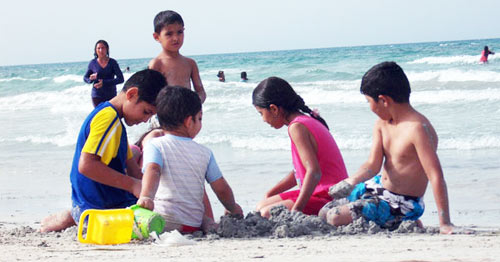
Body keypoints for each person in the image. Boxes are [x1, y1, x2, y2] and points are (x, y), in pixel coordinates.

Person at [319, 61, 454, 234]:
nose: (370, 107)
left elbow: (435, 175)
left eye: (369, 101)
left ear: (383, 100)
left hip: (401, 202)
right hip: (377, 188)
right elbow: (372, 165)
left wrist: (445, 222)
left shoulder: (418, 128)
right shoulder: (382, 124)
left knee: (335, 217)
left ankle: (403, 219)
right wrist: (350, 181)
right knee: (324, 212)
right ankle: (393, 221)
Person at [40, 69, 166, 233]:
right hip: (100, 205)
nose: (145, 120)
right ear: (131, 94)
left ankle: (74, 216)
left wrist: (149, 187)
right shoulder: (108, 118)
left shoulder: (116, 124)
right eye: (146, 112)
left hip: (95, 200)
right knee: (155, 223)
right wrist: (133, 185)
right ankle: (77, 217)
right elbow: (86, 165)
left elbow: (133, 170)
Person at [137, 86, 243, 234]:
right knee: (202, 216)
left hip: (163, 221)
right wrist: (233, 208)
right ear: (189, 121)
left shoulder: (155, 145)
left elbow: (152, 170)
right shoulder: (205, 153)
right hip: (192, 224)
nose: (200, 123)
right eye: (199, 118)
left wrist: (146, 197)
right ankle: (207, 223)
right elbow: (221, 188)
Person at [253, 77, 348, 217]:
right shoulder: (304, 120)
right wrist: (272, 192)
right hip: (318, 192)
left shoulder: (297, 127)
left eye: (261, 113)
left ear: (273, 109)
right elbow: (300, 170)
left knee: (267, 213)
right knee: (261, 206)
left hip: (328, 196)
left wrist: (297, 209)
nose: (263, 120)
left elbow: (314, 172)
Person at [148, 10, 206, 103]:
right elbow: (151, 94)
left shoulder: (190, 63)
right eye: (169, 34)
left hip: (188, 114)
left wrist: (195, 103)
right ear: (157, 37)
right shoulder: (157, 64)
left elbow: (200, 91)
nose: (176, 38)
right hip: (165, 115)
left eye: (179, 32)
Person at [84, 40, 125, 107]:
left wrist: (104, 83)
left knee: (111, 115)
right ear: (95, 50)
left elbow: (121, 79)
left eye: (103, 48)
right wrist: (90, 79)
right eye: (98, 48)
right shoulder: (92, 63)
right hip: (97, 95)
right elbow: (85, 78)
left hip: (111, 95)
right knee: (99, 115)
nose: (101, 50)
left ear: (107, 49)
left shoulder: (112, 62)